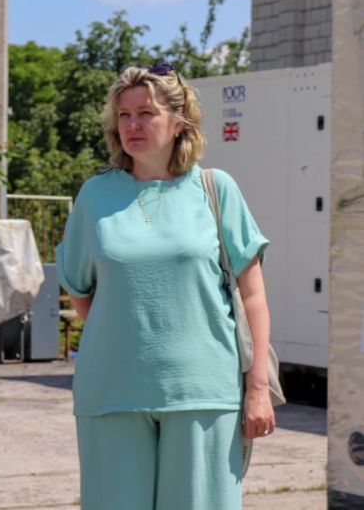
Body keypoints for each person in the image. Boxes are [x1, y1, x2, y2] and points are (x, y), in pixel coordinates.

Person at [55, 64, 276, 509]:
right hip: (112, 392)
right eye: (124, 115)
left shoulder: (216, 189)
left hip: (203, 391)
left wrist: (257, 388)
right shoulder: (94, 196)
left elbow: (253, 296)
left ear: (178, 123)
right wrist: (123, 336)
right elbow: (78, 287)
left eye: (146, 113)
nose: (132, 125)